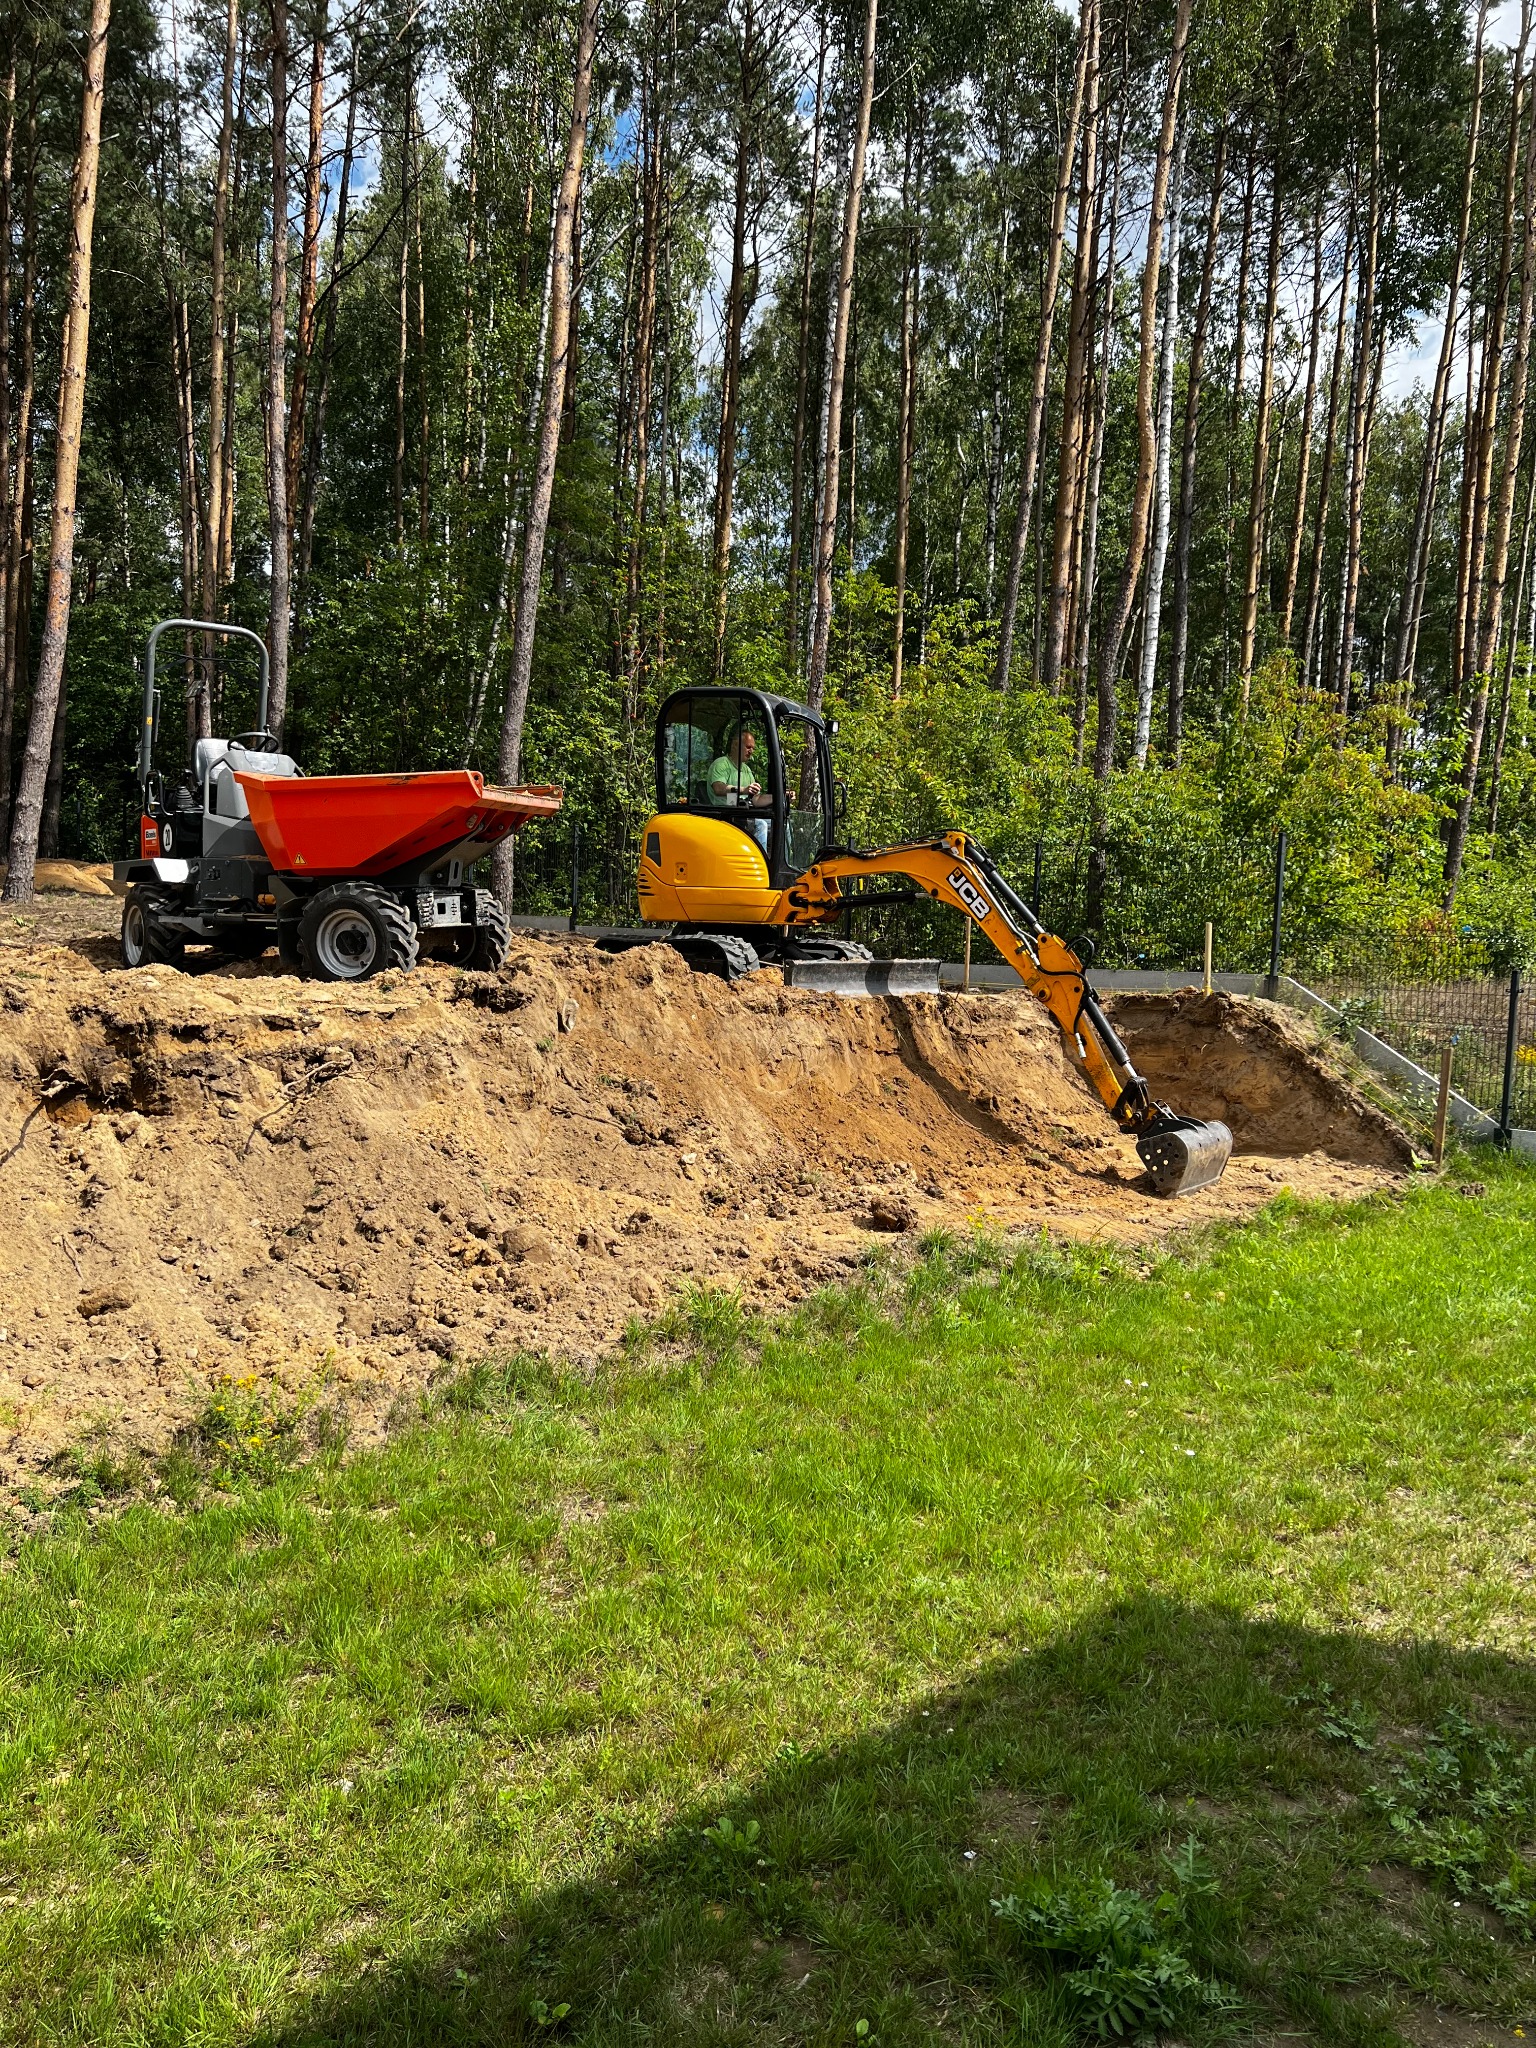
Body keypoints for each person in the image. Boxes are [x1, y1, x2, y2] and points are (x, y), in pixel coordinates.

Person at [707, 726, 771, 852]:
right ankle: (760, 865)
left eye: (753, 748)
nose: (751, 751)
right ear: (735, 745)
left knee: (781, 824)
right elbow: (718, 788)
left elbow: (757, 799)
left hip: (741, 815)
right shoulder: (721, 764)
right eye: (748, 747)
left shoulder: (746, 769)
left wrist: (781, 796)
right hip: (723, 816)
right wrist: (744, 790)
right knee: (761, 825)